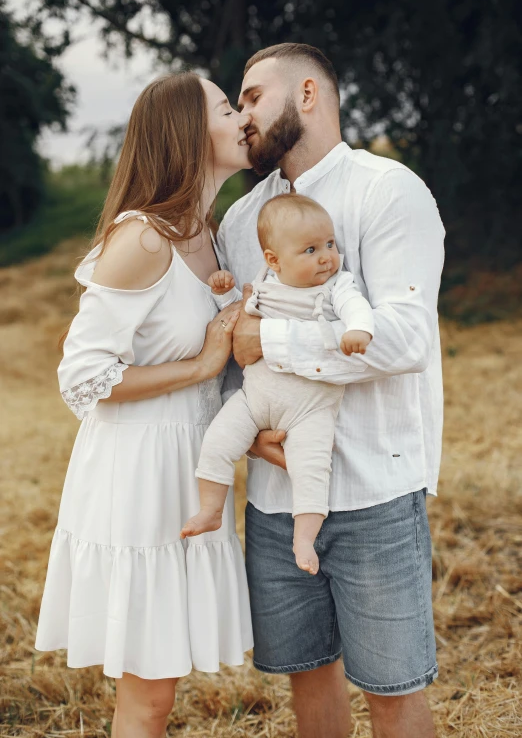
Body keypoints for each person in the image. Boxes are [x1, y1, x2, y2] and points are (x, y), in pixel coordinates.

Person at [218, 43, 445, 738]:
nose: (243, 115)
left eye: (254, 96)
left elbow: (404, 339)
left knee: (394, 693)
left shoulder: (388, 189)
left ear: (308, 94)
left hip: (374, 488)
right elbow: (234, 350)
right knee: (309, 685)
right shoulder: (238, 222)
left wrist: (276, 343)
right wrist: (250, 430)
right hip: (275, 500)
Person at [35, 72, 254, 738]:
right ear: (191, 133)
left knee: (163, 687)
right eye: (227, 106)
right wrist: (202, 363)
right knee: (150, 695)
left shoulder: (211, 235)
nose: (243, 117)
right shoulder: (144, 239)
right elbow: (82, 377)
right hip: (138, 475)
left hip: (191, 466)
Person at [181, 193, 374, 576]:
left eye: (330, 244)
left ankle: (304, 539)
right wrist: (226, 295)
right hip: (256, 399)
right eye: (310, 249)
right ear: (273, 260)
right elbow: (241, 319)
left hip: (310, 409)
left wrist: (358, 329)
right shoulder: (264, 283)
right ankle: (210, 510)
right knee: (217, 442)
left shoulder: (335, 285)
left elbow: (356, 305)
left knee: (311, 469)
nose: (326, 257)